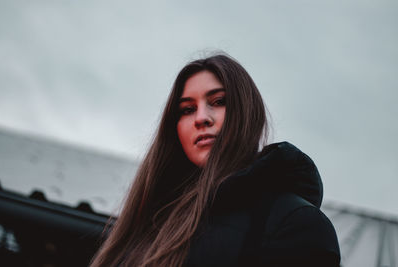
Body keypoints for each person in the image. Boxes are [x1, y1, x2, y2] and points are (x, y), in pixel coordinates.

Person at [90, 53, 340, 267]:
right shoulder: (151, 221)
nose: (201, 118)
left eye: (218, 102)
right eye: (187, 109)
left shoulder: (296, 223)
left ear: (247, 112)